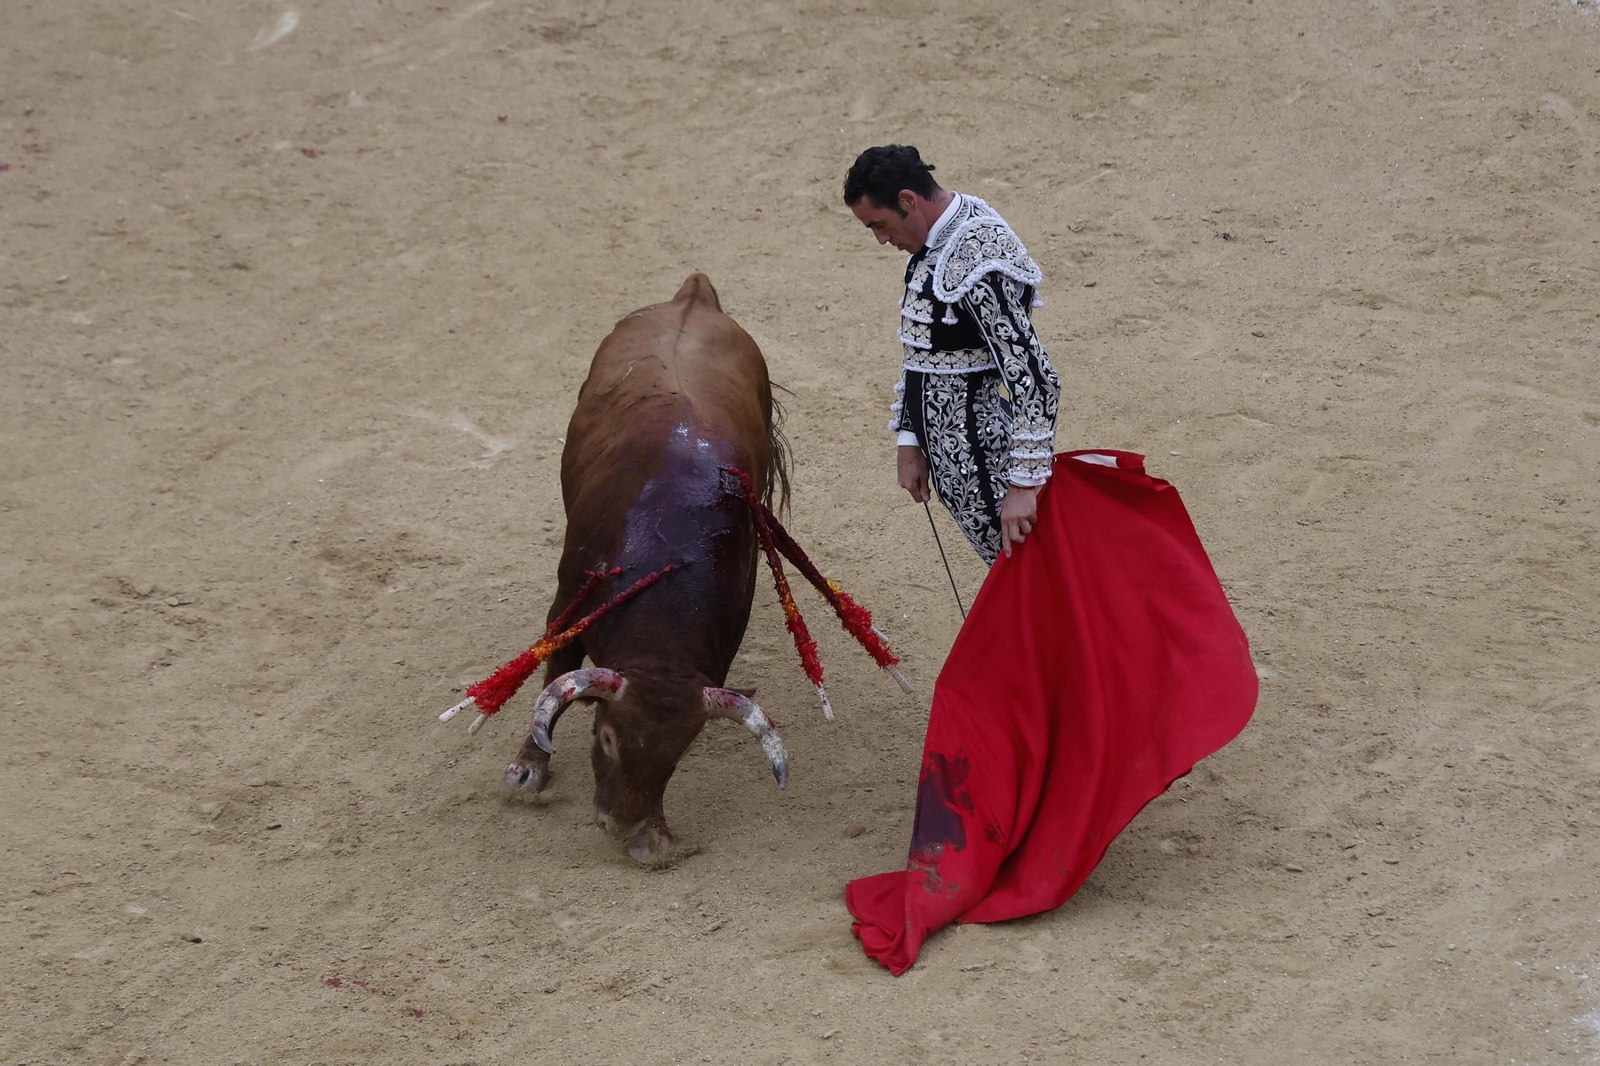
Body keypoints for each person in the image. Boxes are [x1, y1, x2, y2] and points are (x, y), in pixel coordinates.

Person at [843, 144, 1061, 563]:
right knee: (1020, 579)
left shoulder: (977, 259)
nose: (881, 239)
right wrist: (910, 440)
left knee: (1030, 578)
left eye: (880, 224)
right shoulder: (941, 234)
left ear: (908, 200)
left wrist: (1022, 486)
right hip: (960, 463)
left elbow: (1034, 377)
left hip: (990, 463)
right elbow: (922, 353)